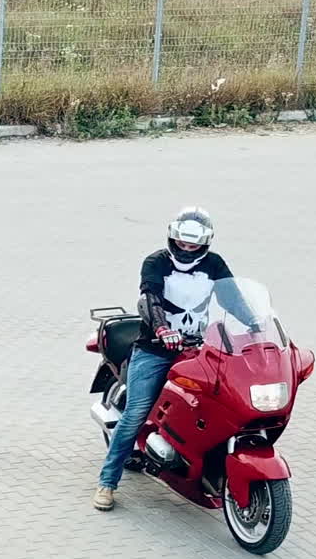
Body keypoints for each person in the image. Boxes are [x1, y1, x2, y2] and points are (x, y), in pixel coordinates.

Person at [94, 208, 233, 511]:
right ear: (172, 238)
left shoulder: (214, 264)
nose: (186, 249)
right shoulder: (156, 262)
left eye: (193, 245)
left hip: (198, 347)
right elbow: (150, 298)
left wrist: (255, 325)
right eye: (182, 243)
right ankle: (107, 482)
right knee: (135, 413)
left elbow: (232, 298)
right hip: (155, 348)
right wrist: (161, 329)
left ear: (205, 243)